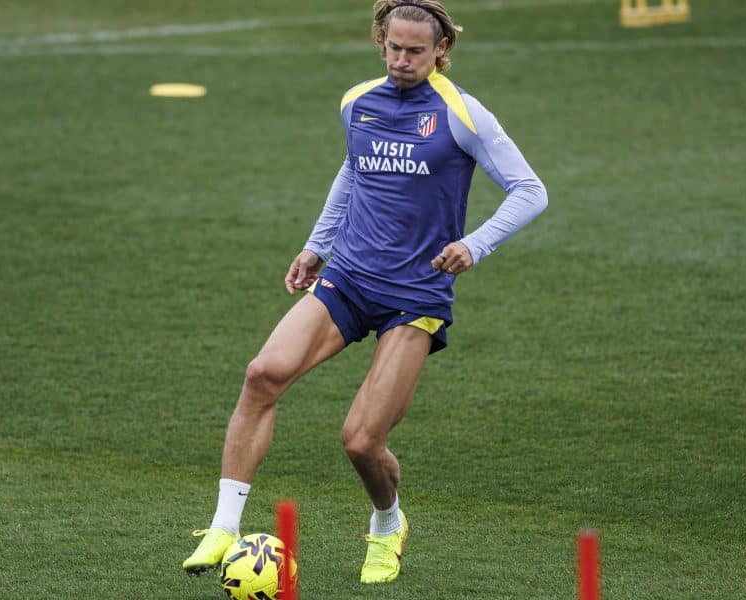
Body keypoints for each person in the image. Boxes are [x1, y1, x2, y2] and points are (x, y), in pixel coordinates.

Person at [183, 0, 547, 584]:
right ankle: (224, 525)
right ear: (381, 42)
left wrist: (474, 245)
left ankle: (387, 522)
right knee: (262, 375)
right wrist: (316, 245)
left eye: (416, 51)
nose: (402, 60)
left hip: (415, 295)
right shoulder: (358, 102)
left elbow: (530, 190)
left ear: (440, 51)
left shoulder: (462, 113)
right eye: (394, 48)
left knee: (360, 441)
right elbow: (353, 171)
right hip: (350, 275)